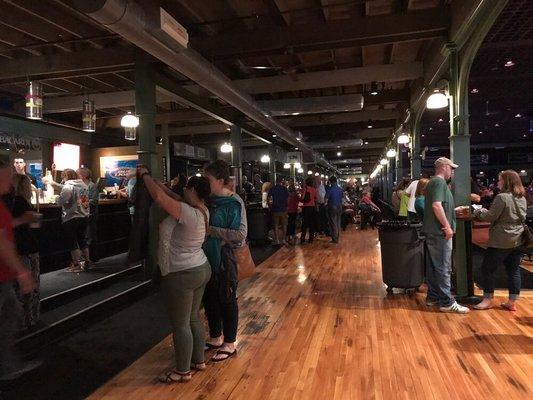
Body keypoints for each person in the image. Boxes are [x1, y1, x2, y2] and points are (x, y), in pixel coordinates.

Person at [138, 167, 211, 383]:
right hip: (200, 267)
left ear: (192, 191)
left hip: (181, 273)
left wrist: (144, 176)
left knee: (180, 324)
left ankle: (182, 371)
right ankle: (199, 360)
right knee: (192, 317)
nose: (182, 190)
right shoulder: (201, 209)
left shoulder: (186, 213)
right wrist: (154, 179)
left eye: (186, 188)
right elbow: (169, 194)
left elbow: (160, 197)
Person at [0, 159, 39, 381]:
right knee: (8, 317)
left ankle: (8, 367)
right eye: (6, 176)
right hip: (2, 274)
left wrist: (20, 220)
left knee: (10, 317)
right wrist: (22, 272)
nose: (10, 180)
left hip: (4, 275)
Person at [203, 160, 242, 362]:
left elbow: (239, 235)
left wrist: (211, 231)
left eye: (207, 179)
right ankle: (216, 336)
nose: (204, 183)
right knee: (210, 298)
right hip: (207, 257)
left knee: (227, 298)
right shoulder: (208, 201)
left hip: (225, 258)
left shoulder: (233, 203)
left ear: (219, 180)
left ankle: (230, 342)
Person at [473, 170, 527, 311]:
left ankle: (487, 299)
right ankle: (512, 302)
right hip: (519, 238)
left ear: (506, 181)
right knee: (513, 270)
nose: (498, 182)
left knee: (488, 269)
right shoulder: (522, 197)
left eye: (500, 180)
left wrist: (478, 211)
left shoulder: (502, 197)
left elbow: (490, 217)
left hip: (501, 239)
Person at [422, 157, 469, 314]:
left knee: (434, 266)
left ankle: (433, 296)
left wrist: (451, 212)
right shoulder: (439, 182)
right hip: (439, 232)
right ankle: (447, 302)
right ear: (444, 167)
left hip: (433, 231)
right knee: (444, 267)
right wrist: (447, 226)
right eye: (451, 168)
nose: (452, 171)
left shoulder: (432, 183)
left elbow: (438, 206)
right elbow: (436, 206)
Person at [2, 174, 40, 329]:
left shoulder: (11, 202)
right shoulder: (21, 202)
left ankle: (23, 320)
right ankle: (29, 319)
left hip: (19, 247)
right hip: (27, 247)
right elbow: (34, 224)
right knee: (30, 286)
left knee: (19, 288)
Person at [56, 169, 90, 272]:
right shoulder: (83, 185)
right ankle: (87, 262)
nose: (62, 179)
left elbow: (62, 200)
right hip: (84, 216)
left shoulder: (68, 186)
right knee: (82, 239)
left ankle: (77, 265)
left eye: (63, 177)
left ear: (65, 176)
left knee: (72, 242)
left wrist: (57, 198)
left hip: (72, 217)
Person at [77, 168, 99, 264]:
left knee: (90, 236)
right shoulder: (79, 186)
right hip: (82, 215)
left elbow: (94, 201)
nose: (76, 176)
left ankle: (92, 259)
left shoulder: (92, 186)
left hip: (91, 215)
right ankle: (86, 259)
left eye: (77, 174)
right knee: (84, 237)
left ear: (82, 175)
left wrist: (81, 202)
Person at [267, 176, 289, 245]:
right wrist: (286, 206)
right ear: (281, 181)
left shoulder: (272, 189)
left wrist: (270, 207)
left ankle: (277, 240)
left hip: (275, 209)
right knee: (284, 225)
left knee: (275, 225)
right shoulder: (285, 189)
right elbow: (288, 199)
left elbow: (270, 199)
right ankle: (283, 239)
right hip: (283, 209)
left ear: (276, 181)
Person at [325, 176, 343, 243]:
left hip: (332, 206)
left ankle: (335, 239)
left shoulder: (330, 189)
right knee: (338, 222)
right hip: (339, 206)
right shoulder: (340, 189)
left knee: (333, 223)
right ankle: (337, 238)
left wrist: (325, 204)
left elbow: (326, 200)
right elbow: (342, 198)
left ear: (330, 181)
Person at [300, 177, 317, 244]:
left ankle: (303, 239)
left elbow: (303, 198)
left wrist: (300, 199)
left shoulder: (305, 188)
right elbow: (316, 198)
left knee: (304, 224)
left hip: (306, 207)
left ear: (306, 182)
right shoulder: (314, 189)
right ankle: (311, 239)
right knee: (311, 223)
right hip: (312, 207)